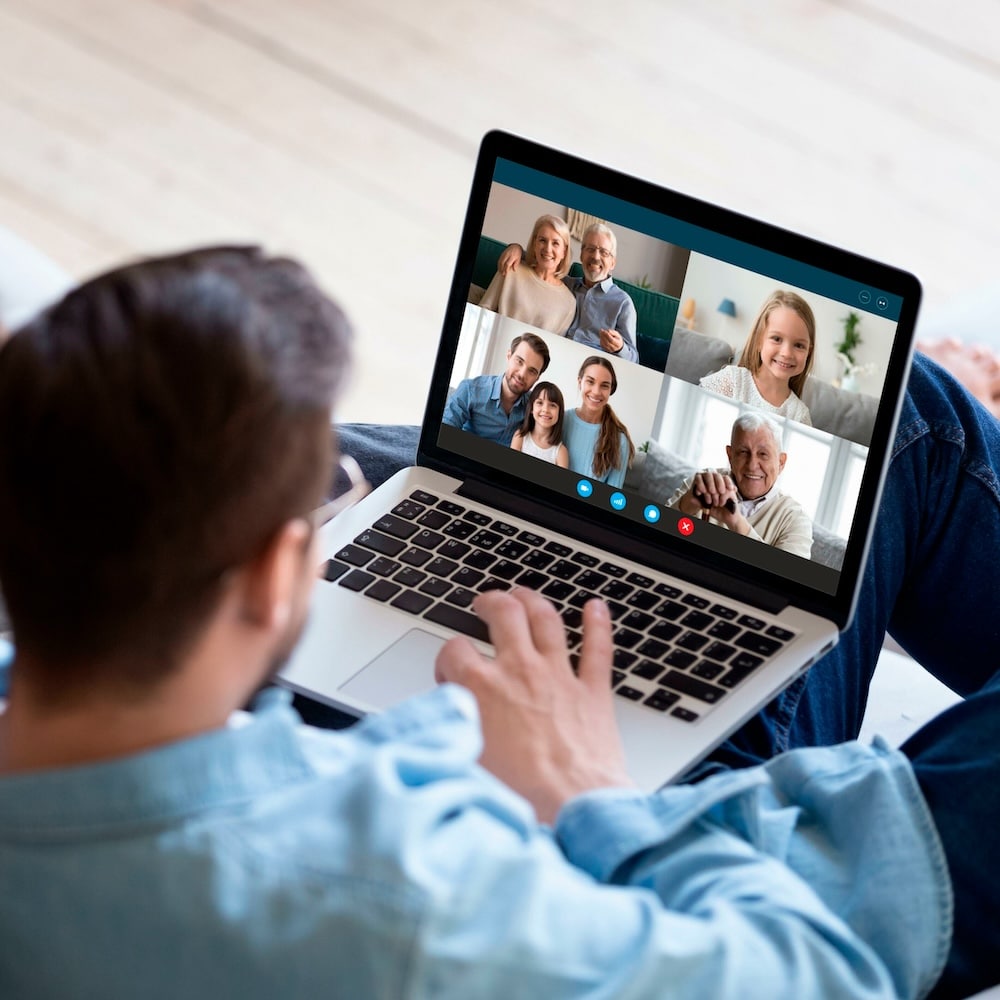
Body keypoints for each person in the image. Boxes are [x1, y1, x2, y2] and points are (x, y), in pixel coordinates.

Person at [0, 246, 949, 999]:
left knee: (419, 469)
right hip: (682, 833)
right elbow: (825, 977)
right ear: (277, 573)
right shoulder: (408, 903)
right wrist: (588, 793)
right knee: (916, 428)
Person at [666, 412, 813, 558]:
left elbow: (786, 578)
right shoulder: (703, 483)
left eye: (763, 454)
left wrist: (737, 523)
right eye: (743, 452)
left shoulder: (795, 519)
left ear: (781, 462)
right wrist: (684, 506)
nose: (752, 465)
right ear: (730, 456)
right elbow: (655, 535)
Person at [498, 222, 639, 362]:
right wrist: (516, 248)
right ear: (582, 255)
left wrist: (619, 348)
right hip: (551, 355)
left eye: (604, 252)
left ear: (613, 263)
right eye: (590, 249)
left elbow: (634, 359)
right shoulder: (564, 284)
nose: (596, 257)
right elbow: (543, 261)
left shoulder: (622, 302)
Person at [700, 290, 815, 425]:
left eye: (799, 345)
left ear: (808, 352)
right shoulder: (733, 381)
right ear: (759, 340)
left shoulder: (800, 415)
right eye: (777, 339)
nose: (787, 353)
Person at [442, 331, 550, 445]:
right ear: (509, 356)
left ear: (537, 378)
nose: (522, 374)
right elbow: (443, 433)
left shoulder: (534, 407)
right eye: (519, 361)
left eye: (532, 371)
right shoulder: (470, 389)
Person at [477, 214, 577, 334]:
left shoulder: (569, 302)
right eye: (542, 240)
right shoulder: (511, 268)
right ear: (534, 244)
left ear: (564, 251)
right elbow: (483, 310)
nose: (547, 249)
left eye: (555, 243)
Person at [562, 355, 636, 488]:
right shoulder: (561, 420)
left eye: (604, 386)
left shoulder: (620, 440)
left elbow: (612, 495)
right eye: (590, 381)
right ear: (580, 382)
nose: (596, 392)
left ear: (610, 390)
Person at [510, 379, 570, 467]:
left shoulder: (561, 452)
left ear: (559, 413)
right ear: (531, 408)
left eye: (552, 405)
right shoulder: (520, 437)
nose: (545, 410)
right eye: (540, 403)